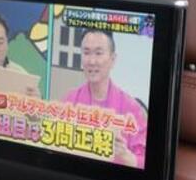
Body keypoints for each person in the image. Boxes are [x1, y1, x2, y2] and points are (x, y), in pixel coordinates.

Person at [62, 29, 148, 168]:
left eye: (98, 53)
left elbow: (146, 163)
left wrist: (125, 156)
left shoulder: (132, 109)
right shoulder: (69, 100)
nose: (92, 61)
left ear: (112, 59)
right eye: (86, 53)